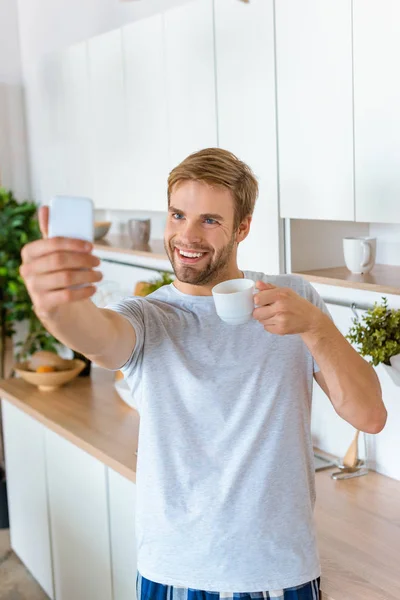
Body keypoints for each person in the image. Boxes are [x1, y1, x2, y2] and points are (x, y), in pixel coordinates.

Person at [20, 148, 386, 600]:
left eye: (210, 220)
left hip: (281, 570)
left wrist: (316, 326)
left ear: (243, 227)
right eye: (178, 215)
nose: (187, 235)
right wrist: (55, 305)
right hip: (176, 572)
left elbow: (369, 415)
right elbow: (94, 333)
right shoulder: (148, 316)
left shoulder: (293, 298)